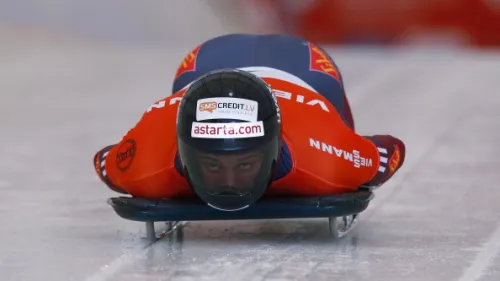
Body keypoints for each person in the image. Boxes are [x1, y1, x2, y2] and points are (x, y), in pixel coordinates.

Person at [93, 34, 406, 211]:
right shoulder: (146, 160)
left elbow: (105, 158)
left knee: (338, 120)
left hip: (303, 70)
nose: (229, 186)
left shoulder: (326, 156)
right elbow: (390, 150)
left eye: (244, 165)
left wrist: (350, 145)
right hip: (216, 66)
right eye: (212, 166)